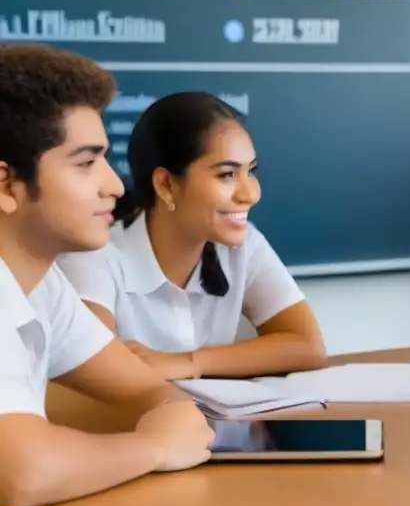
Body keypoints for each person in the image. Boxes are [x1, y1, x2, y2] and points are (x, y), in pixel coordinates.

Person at [0, 43, 214, 506]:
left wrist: (170, 418)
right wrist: (155, 447)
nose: (115, 185)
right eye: (85, 163)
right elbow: (20, 474)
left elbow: (141, 386)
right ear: (6, 184)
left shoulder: (41, 283)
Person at [58, 91, 327, 381]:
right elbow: (96, 376)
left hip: (222, 426)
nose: (250, 194)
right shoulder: (95, 258)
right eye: (226, 174)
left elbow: (308, 346)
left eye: (251, 171)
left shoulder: (245, 245)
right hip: (152, 427)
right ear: (166, 185)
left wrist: (191, 362)